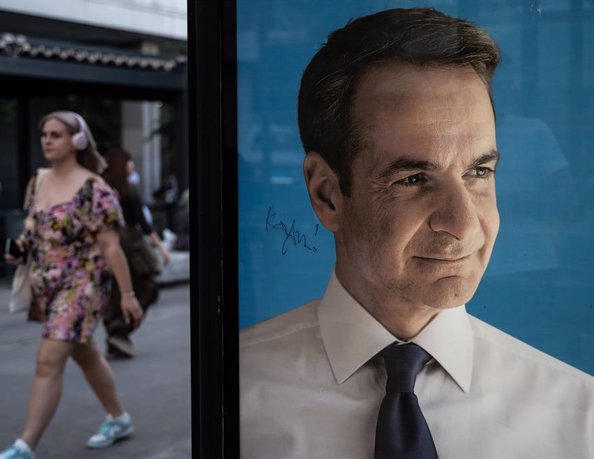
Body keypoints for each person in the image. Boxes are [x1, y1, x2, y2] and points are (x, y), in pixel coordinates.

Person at [239, 8, 594, 459]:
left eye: (479, 171)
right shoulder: (231, 399)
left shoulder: (579, 417)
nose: (465, 225)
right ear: (328, 195)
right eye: (412, 179)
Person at [0, 111, 144, 459]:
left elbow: (111, 247)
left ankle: (23, 447)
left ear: (76, 141)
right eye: (44, 134)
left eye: (56, 134)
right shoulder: (38, 183)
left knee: (48, 359)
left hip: (83, 285)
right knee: (82, 352)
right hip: (48, 284)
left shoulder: (94, 188)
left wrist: (128, 296)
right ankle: (119, 418)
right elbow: (32, 231)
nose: (47, 140)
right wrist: (20, 250)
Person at [101, 149, 170, 358]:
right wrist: (161, 247)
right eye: (129, 161)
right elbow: (142, 222)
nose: (132, 165)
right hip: (129, 247)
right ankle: (119, 330)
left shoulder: (102, 188)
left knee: (113, 291)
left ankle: (116, 331)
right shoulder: (128, 189)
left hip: (105, 246)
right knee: (146, 287)